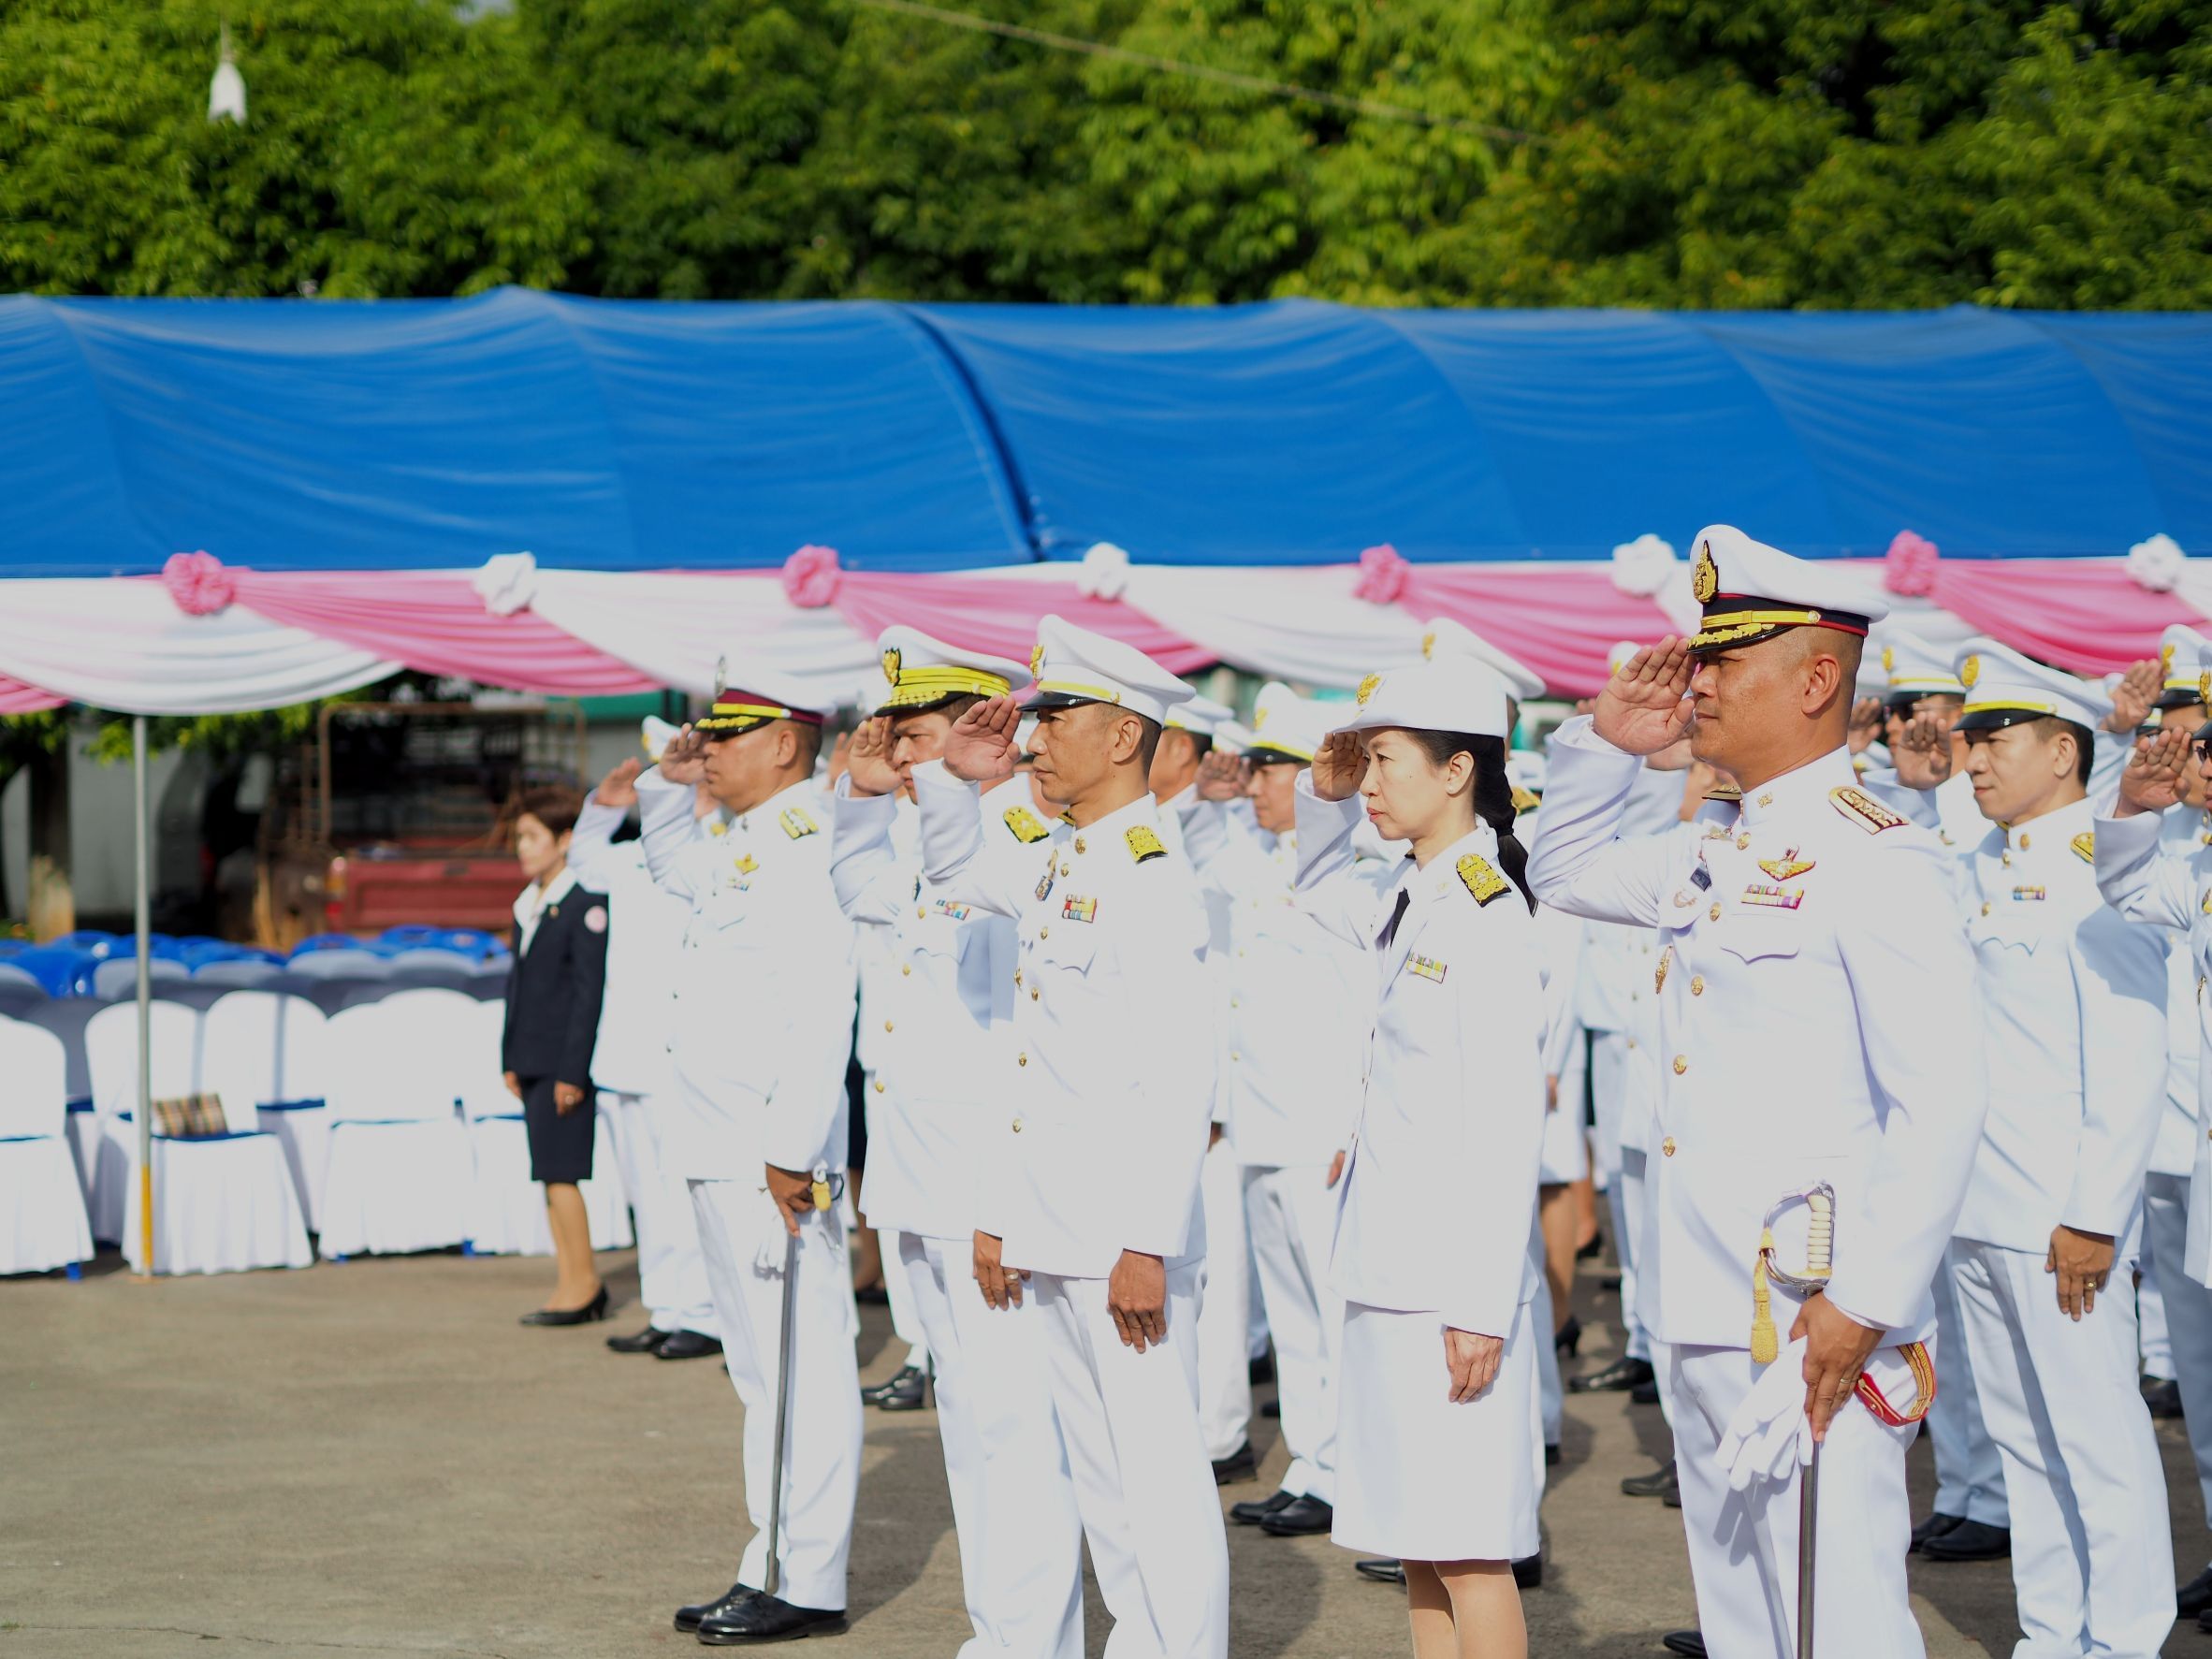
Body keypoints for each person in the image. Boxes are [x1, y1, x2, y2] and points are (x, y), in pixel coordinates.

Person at [1528, 525, 1986, 1657]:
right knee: (1743, 1616)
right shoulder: (1720, 847)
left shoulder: (1878, 859)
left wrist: (1865, 1304)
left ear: (1817, 680)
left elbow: (1941, 1100)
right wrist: (1604, 743)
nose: (1698, 684)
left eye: (1725, 662)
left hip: (1812, 1306)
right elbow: (1560, 871)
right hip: (1705, 1297)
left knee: (1837, 1620)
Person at [916, 614, 1230, 1659]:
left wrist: (1145, 1240)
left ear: (1125, 735)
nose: (1035, 737)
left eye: (1057, 718)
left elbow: (1178, 1077)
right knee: (1105, 1487)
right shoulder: (1064, 860)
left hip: (1120, 1240)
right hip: (1057, 1226)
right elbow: (955, 874)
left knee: (1159, 1485)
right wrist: (956, 779)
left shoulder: (1150, 874)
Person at [1898, 638, 2177, 1655]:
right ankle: (2053, 1635)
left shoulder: (2103, 874)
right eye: (1970, 740)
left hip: (2061, 1216)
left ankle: (2128, 1639)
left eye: (1994, 739)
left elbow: (2132, 1059)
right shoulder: (1972, 865)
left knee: (2099, 1442)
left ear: (2063, 752)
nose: (1971, 758)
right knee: (2023, 1442)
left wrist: (2094, 1215)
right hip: (1977, 1208)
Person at [830, 627, 1086, 1659]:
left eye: (919, 735)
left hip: (987, 1192)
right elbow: (853, 888)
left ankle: (1033, 1644)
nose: (901, 755)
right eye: (895, 739)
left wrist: (1003, 1201)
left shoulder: (1023, 837)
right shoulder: (910, 837)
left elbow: (1024, 1039)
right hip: (915, 1182)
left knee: (1017, 1435)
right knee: (972, 1436)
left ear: (983, 730)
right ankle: (1001, 1636)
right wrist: (857, 797)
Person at [1294, 652, 1546, 1659]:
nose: (1369, 781)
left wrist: (1480, 1304)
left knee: (1472, 1548)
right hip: (1389, 1268)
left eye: (1386, 759)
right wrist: (1321, 796)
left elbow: (1506, 1123)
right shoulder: (1411, 887)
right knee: (1420, 1544)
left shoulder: (1486, 911)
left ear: (1456, 770)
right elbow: (1313, 889)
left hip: (1448, 1284)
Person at [642, 667, 861, 1648]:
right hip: (722, 1146)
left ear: (784, 744)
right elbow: (669, 865)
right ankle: (772, 1557)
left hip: (768, 1159)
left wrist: (792, 1151)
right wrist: (669, 780)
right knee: (761, 1375)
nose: (712, 750)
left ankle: (801, 1578)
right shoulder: (747, 839)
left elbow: (821, 1004)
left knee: (798, 1371)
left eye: (729, 736)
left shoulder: (804, 844)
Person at [1201, 681, 1387, 1541]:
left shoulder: (1358, 870)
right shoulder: (1261, 861)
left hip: (1320, 1130)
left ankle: (1349, 1472)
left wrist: (1354, 1121)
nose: (1258, 784)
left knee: (1333, 1312)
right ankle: (1313, 1464)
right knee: (1294, 1315)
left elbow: (1365, 1012)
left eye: (1273, 769)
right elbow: (1192, 862)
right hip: (1263, 1123)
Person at [568, 742, 724, 1361]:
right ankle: (666, 1309)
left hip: (675, 1054)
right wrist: (603, 808)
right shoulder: (636, 856)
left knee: (681, 1198)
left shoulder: (714, 850)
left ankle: (702, 1314)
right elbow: (583, 863)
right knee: (647, 1200)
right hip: (623, 1054)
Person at [1151, 691, 1261, 1483]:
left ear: (1187, 753)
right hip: (1161, 1096)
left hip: (1216, 1100)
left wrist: (1216, 1100)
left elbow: (1228, 977)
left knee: (1216, 1274)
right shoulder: (1150, 828)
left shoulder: (1225, 835)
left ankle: (1220, 1432)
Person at [501, 785, 611, 1327]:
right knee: (548, 1175)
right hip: (534, 1060)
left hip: (563, 1065)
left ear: (565, 840)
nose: (522, 847)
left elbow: (587, 997)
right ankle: (569, 1279)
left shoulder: (583, 904)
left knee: (563, 1173)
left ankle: (584, 1283)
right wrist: (510, 1057)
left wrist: (574, 1072)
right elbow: (520, 989)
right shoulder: (532, 904)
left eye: (532, 836)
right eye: (519, 837)